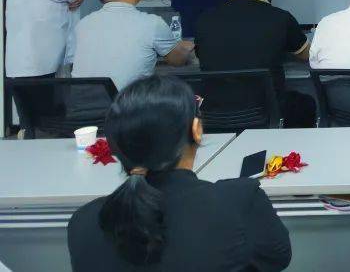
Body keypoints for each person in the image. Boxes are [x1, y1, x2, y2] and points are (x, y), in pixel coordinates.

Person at [67, 75, 291, 271]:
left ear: (116, 145)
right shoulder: (239, 201)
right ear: (196, 130)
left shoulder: (83, 221)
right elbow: (277, 258)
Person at [195, 0, 315, 128]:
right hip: (264, 114)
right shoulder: (280, 18)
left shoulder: (204, 19)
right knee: (305, 104)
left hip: (213, 116)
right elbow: (308, 55)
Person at [72, 0, 192, 90]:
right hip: (129, 105)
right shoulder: (152, 23)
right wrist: (185, 48)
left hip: (80, 104)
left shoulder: (83, 23)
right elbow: (177, 61)